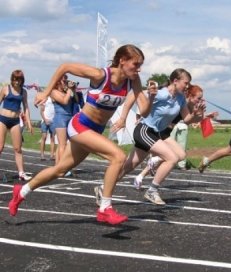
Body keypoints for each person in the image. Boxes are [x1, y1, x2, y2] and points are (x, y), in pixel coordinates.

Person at [8, 44, 155, 225]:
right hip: (80, 126)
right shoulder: (101, 75)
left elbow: (145, 111)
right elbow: (65, 67)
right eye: (136, 64)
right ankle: (105, 208)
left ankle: (20, 192)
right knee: (118, 156)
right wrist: (46, 93)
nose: (139, 69)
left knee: (60, 170)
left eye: (140, 65)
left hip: (95, 131)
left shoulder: (133, 80)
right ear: (122, 61)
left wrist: (151, 98)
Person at [107, 69, 204, 205]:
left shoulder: (181, 98)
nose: (187, 86)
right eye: (185, 83)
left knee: (128, 167)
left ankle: (103, 188)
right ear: (175, 81)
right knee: (172, 158)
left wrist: (197, 114)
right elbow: (133, 95)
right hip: (144, 130)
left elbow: (187, 119)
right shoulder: (161, 93)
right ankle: (152, 191)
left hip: (155, 133)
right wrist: (123, 118)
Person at [133, 84, 218, 190]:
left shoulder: (189, 107)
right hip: (161, 131)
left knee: (180, 156)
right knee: (174, 156)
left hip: (167, 131)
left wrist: (206, 115)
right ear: (190, 96)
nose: (201, 100)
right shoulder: (181, 102)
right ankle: (153, 166)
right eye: (199, 98)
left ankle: (141, 175)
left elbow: (190, 119)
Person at [0, 70, 33, 181]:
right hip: (3, 120)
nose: (16, 81)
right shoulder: (5, 89)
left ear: (22, 80)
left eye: (18, 79)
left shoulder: (24, 92)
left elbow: (26, 108)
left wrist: (29, 122)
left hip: (15, 121)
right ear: (12, 79)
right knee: (0, 147)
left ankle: (21, 173)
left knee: (18, 149)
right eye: (14, 79)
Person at [40, 96, 56, 161]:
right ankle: (42, 155)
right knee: (44, 136)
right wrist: (45, 119)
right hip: (45, 121)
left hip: (53, 121)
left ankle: (52, 155)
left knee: (53, 138)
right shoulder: (45, 99)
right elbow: (41, 111)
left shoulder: (56, 100)